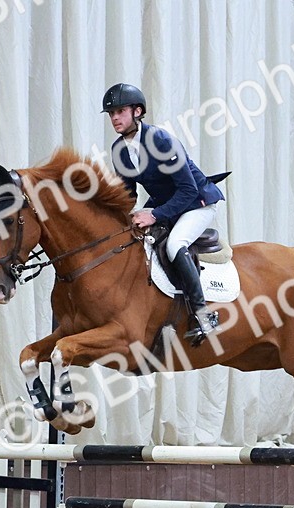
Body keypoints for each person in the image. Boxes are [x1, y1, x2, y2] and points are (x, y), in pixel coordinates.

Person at [102, 83, 225, 344]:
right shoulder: (119, 149)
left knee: (174, 245)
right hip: (167, 203)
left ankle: (204, 315)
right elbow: (128, 192)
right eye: (111, 113)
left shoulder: (160, 140)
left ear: (137, 111)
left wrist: (155, 215)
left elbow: (188, 189)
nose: (114, 118)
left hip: (197, 202)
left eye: (120, 111)